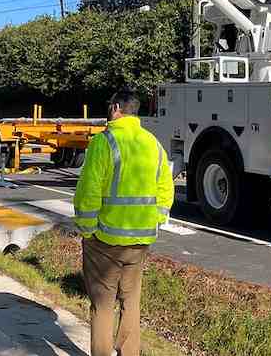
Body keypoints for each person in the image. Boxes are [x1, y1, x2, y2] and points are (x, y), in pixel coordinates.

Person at [74, 89, 174, 356]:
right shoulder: (152, 143)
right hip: (140, 240)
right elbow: (166, 187)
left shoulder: (104, 142)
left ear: (116, 107)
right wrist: (157, 218)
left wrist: (87, 229)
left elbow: (89, 191)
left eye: (110, 105)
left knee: (103, 305)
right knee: (131, 301)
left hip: (104, 240)